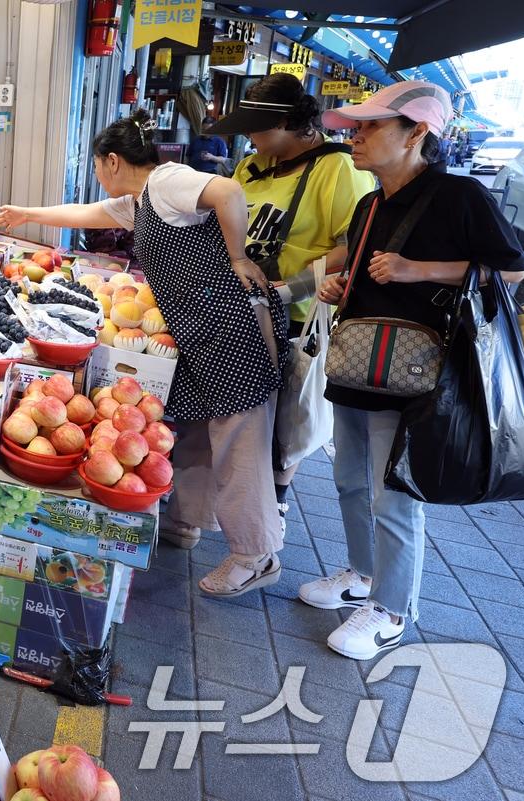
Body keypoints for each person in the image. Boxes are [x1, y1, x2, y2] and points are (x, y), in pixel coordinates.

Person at [0, 110, 289, 598]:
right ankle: (187, 520)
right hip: (197, 330)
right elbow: (89, 213)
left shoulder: (168, 182)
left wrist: (237, 256)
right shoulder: (145, 200)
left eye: (96, 166)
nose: (97, 177)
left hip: (229, 327)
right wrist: (29, 214)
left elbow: (229, 192)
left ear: (111, 160)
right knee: (193, 427)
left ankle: (255, 555)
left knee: (239, 439)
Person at [301, 82, 524, 660]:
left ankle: (394, 609)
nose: (355, 137)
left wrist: (417, 269)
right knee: (350, 478)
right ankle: (360, 574)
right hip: (358, 362)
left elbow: (513, 273)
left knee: (394, 492)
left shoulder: (460, 197)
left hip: (420, 375)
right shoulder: (369, 202)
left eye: (370, 127)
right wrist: (337, 283)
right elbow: (365, 271)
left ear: (417, 132)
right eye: (355, 127)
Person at [200, 73, 376, 537]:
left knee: (287, 414)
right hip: (239, 307)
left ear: (295, 126)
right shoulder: (253, 165)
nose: (252, 138)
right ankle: (237, 495)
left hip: (294, 313)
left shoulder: (339, 168)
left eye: (260, 129)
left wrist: (292, 286)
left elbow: (352, 241)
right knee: (241, 407)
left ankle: (274, 501)